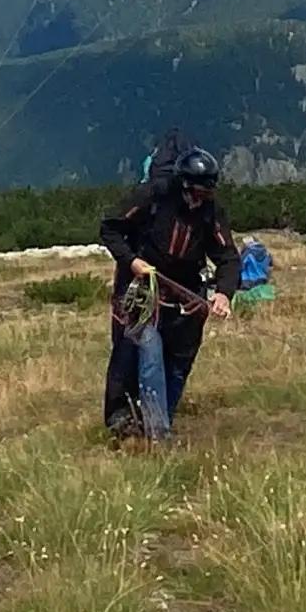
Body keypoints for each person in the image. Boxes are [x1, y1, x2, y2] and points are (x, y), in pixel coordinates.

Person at [100, 146, 238, 443]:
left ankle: (159, 421)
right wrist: (133, 262)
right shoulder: (153, 196)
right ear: (183, 185)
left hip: (184, 295)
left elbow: (227, 257)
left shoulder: (211, 212)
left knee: (178, 362)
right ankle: (147, 430)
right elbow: (110, 229)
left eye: (206, 194)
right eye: (196, 193)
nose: (199, 200)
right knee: (146, 352)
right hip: (142, 290)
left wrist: (224, 293)